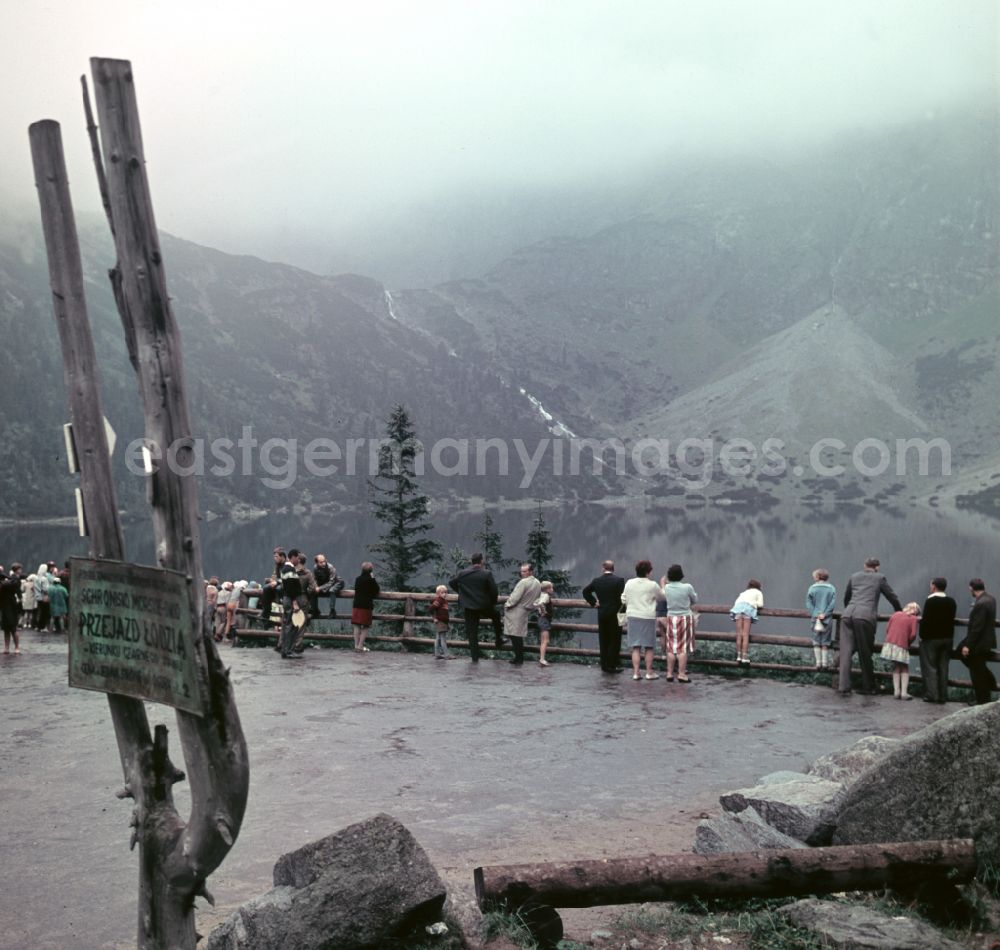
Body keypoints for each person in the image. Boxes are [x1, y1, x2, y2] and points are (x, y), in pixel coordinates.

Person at [839, 557, 902, 696]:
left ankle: (844, 686)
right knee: (865, 652)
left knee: (845, 652)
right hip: (865, 617)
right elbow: (892, 597)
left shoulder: (854, 576)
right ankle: (869, 687)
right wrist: (900, 612)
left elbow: (846, 596)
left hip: (847, 615)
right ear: (877, 567)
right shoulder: (880, 578)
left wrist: (849, 610)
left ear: (864, 565)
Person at [449, 553, 502, 663]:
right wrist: (492, 602)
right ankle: (498, 640)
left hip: (469, 607)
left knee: (472, 633)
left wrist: (462, 593)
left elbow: (452, 583)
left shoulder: (463, 573)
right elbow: (494, 591)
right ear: (481, 561)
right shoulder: (486, 573)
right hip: (484, 606)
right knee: (496, 616)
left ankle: (475, 659)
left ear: (471, 561)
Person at [621, 559, 665, 681]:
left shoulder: (629, 583)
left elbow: (623, 598)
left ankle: (636, 673)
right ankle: (649, 672)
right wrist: (663, 586)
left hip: (633, 616)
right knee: (649, 647)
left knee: (635, 647)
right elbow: (662, 597)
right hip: (647, 617)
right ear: (648, 572)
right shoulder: (652, 585)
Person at [918, 577, 957, 704]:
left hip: (931, 639)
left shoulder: (930, 601)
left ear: (934, 586)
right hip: (947, 639)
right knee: (943, 667)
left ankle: (932, 695)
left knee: (930, 667)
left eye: (931, 585)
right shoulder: (951, 602)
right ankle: (942, 696)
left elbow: (926, 621)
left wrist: (922, 635)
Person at [958, 578, 997, 706]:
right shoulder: (991, 599)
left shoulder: (980, 604)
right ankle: (988, 683)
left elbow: (977, 627)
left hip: (979, 643)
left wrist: (968, 646)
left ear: (971, 589)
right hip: (987, 640)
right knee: (978, 668)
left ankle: (982, 700)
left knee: (977, 673)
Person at [582, 560, 626, 673]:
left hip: (602, 613)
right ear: (613, 568)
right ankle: (612, 665)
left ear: (603, 568)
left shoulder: (597, 581)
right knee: (614, 639)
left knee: (603, 639)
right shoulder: (619, 581)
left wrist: (593, 602)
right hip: (615, 614)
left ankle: (604, 664)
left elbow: (585, 591)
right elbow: (623, 599)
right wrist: (623, 614)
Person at [660, 564, 698, 683]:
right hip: (685, 618)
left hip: (671, 618)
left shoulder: (667, 588)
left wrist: (663, 583)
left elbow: (662, 596)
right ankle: (681, 674)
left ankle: (669, 673)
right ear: (681, 575)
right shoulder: (687, 587)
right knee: (682, 648)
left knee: (671, 647)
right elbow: (695, 599)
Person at [503, 564, 542, 666]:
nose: (522, 573)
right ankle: (519, 658)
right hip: (526, 611)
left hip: (516, 611)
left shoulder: (523, 582)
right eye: (521, 571)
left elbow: (515, 597)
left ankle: (518, 659)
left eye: (524, 571)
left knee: (515, 636)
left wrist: (507, 605)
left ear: (530, 572)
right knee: (518, 635)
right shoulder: (537, 582)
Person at [880, 602, 921, 699]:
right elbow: (913, 634)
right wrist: (908, 642)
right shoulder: (913, 619)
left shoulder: (896, 614)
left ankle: (896, 692)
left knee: (896, 667)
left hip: (890, 644)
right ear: (916, 612)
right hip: (902, 644)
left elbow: (887, 628)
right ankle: (904, 693)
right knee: (905, 667)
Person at [806, 569, 837, 671]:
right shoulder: (831, 588)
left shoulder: (812, 588)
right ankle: (825, 663)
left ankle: (818, 663)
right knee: (825, 641)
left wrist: (816, 614)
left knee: (816, 640)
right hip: (827, 619)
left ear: (817, 577)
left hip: (815, 618)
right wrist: (825, 614)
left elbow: (809, 603)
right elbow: (832, 604)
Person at [278, 549, 307, 659]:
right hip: (290, 600)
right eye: (298, 558)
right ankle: (288, 651)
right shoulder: (289, 569)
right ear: (293, 557)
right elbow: (290, 587)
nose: (299, 560)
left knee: (288, 625)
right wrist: (295, 602)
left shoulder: (286, 568)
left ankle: (285, 650)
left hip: (287, 599)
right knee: (291, 625)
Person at [730, 579, 763, 665]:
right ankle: (744, 657)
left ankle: (738, 656)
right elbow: (760, 604)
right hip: (748, 610)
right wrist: (753, 603)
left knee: (739, 634)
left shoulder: (743, 593)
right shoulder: (758, 592)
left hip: (737, 609)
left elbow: (736, 602)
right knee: (745, 635)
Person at [351, 562, 380, 653]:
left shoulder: (358, 579)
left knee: (356, 625)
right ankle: (360, 646)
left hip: (357, 604)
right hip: (366, 605)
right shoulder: (371, 580)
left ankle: (356, 645)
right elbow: (376, 590)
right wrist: (373, 578)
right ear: (371, 571)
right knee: (366, 626)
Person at [312, 554, 345, 619]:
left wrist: (320, 588)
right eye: (321, 562)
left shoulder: (330, 567)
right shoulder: (315, 568)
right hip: (325, 583)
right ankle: (315, 610)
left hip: (337, 582)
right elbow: (315, 579)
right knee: (313, 591)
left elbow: (331, 582)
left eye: (324, 561)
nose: (324, 563)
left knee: (332, 590)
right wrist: (316, 587)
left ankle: (332, 611)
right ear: (317, 563)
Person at [1, 564, 22, 654]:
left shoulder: (13, 579)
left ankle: (16, 647)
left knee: (13, 628)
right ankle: (7, 648)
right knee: (6, 629)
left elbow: (15, 585)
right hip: (5, 606)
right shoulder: (10, 579)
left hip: (10, 605)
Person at [535, 580, 554, 666]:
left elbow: (536, 603)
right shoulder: (546, 596)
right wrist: (544, 612)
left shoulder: (541, 595)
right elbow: (540, 603)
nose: (552, 589)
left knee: (543, 640)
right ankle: (542, 659)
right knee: (545, 641)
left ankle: (542, 658)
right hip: (544, 620)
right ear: (547, 589)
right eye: (551, 588)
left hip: (541, 619)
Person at [430, 585, 451, 659]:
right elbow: (431, 609)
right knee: (442, 638)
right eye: (442, 593)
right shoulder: (438, 600)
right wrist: (434, 618)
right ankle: (446, 655)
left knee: (438, 638)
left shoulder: (444, 601)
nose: (444, 594)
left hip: (443, 622)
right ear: (438, 594)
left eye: (445, 592)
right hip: (440, 621)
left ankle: (437, 654)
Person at [34, 564, 51, 633]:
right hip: (44, 597)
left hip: (38, 596)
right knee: (45, 613)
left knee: (40, 612)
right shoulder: (44, 579)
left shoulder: (36, 578)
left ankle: (39, 626)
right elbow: (45, 589)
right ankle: (43, 627)